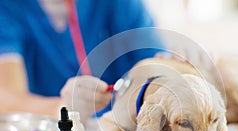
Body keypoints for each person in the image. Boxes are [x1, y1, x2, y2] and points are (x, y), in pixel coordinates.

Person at [0, 0, 162, 121]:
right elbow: (6, 98)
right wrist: (62, 108)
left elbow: (161, 69)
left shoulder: (119, 4)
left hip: (126, 130)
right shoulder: (9, 8)